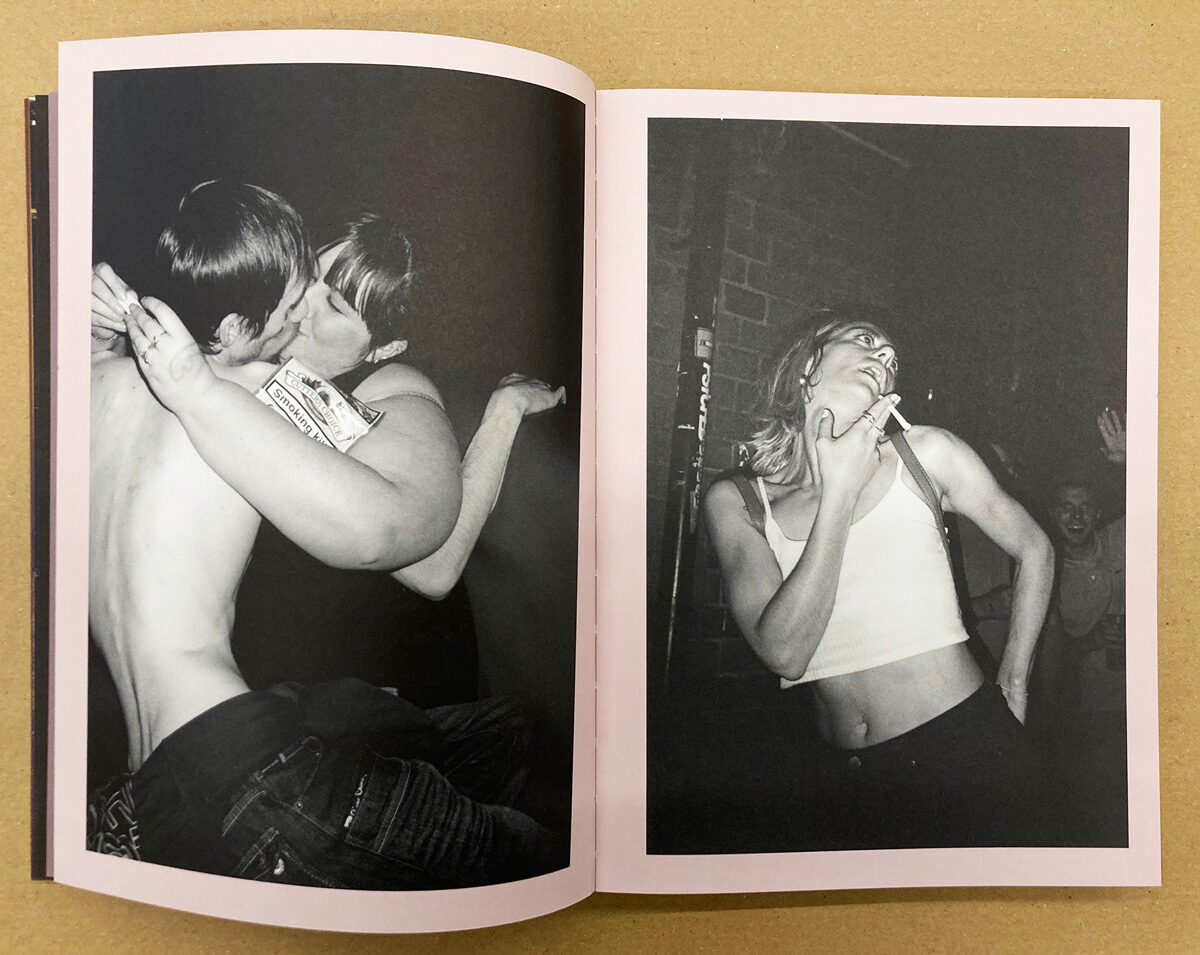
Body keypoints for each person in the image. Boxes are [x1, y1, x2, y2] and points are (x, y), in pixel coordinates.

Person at [87, 181, 565, 886]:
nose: (304, 306)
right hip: (235, 752)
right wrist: (96, 322)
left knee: (519, 778)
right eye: (306, 278)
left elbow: (428, 560)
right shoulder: (250, 379)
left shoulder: (343, 392)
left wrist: (502, 412)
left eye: (335, 302)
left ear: (385, 342)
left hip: (283, 739)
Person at [703, 312, 1055, 849]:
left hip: (964, 751)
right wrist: (839, 491)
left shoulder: (925, 452)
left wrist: (1014, 683)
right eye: (866, 341)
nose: (885, 358)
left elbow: (1035, 548)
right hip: (839, 775)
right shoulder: (740, 501)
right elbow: (785, 653)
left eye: (892, 358)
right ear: (808, 365)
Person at [1032, 411, 1127, 845]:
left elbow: (1168, 503)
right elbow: (1048, 661)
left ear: (1098, 512)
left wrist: (1126, 463)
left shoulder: (1121, 537)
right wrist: (1087, 642)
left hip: (1150, 702)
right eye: (1066, 508)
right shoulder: (1044, 573)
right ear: (1053, 513)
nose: (1075, 516)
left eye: (1085, 507)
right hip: (1095, 713)